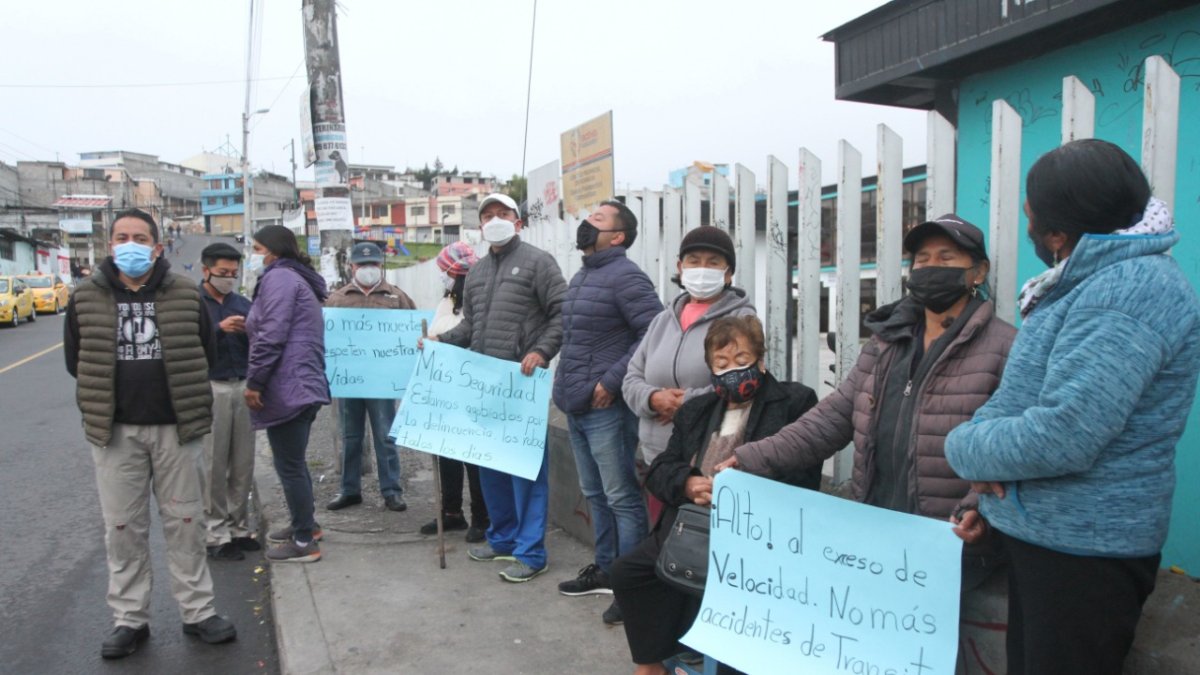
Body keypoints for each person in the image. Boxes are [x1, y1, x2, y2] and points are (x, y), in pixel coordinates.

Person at [944, 139, 1200, 674]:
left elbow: (1066, 433)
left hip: (1085, 557)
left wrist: (965, 447)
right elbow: (1017, 402)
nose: (1029, 227)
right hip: (1054, 542)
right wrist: (987, 482)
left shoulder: (1127, 289)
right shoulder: (1085, 284)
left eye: (1032, 218)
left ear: (1059, 234)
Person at [716, 215, 1015, 591]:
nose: (931, 268)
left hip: (951, 542)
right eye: (922, 259)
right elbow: (832, 418)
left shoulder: (1006, 348)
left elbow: (1009, 449)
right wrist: (751, 458)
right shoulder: (886, 342)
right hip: (875, 536)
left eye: (947, 258)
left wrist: (976, 507)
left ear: (978, 272)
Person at [63, 208, 236, 659]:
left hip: (177, 430)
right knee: (122, 529)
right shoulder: (85, 297)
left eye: (140, 237)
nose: (131, 244)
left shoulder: (184, 293)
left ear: (158, 247)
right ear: (110, 244)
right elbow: (75, 360)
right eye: (122, 236)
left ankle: (198, 612)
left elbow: (206, 347)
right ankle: (129, 619)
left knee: (185, 524)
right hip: (116, 432)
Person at [611, 315, 818, 675]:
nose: (732, 370)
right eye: (721, 364)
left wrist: (742, 486)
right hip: (693, 525)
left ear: (761, 360)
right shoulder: (696, 409)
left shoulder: (794, 402)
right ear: (710, 369)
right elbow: (660, 469)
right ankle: (652, 661)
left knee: (733, 606)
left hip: (755, 535)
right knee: (628, 573)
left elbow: (804, 475)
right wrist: (688, 482)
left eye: (742, 360)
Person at [430, 193, 567, 583]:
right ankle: (503, 538)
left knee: (525, 471)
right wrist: (441, 342)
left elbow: (563, 312)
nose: (494, 220)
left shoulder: (539, 262)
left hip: (521, 384)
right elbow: (470, 327)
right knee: (490, 464)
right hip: (484, 384)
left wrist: (542, 351)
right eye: (487, 215)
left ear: (518, 221)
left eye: (502, 213)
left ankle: (531, 552)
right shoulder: (476, 273)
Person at [554, 200, 662, 625]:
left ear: (617, 236)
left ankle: (631, 586)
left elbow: (652, 333)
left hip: (607, 408)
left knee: (622, 499)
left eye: (597, 219)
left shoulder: (627, 276)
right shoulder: (585, 274)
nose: (586, 223)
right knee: (596, 494)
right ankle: (605, 569)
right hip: (576, 404)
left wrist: (610, 382)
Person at [622, 226, 755, 524]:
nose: (702, 269)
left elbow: (744, 383)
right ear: (680, 268)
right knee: (659, 541)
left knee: (693, 548)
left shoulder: (741, 321)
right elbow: (631, 377)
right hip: (657, 457)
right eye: (694, 260)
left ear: (728, 273)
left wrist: (685, 404)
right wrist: (654, 398)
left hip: (707, 459)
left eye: (713, 262)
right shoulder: (662, 320)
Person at [244, 225, 331, 564]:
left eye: (256, 248)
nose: (253, 255)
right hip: (302, 382)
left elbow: (272, 335)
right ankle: (306, 524)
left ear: (273, 251)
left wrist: (254, 382)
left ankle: (304, 541)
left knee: (290, 464)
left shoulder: (279, 279)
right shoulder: (296, 278)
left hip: (287, 384)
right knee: (294, 461)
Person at [324, 242, 415, 513]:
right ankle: (349, 490)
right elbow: (327, 338)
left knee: (386, 435)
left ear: (381, 266)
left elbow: (412, 334)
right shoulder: (337, 299)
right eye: (362, 265)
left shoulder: (397, 298)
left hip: (382, 382)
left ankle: (392, 490)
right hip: (349, 381)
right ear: (351, 267)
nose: (367, 269)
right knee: (350, 436)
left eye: (373, 264)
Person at [419, 240, 490, 542]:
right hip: (444, 390)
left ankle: (481, 518)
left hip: (471, 389)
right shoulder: (446, 301)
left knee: (473, 457)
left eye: (443, 271)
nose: (441, 277)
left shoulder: (479, 299)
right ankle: (451, 513)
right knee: (446, 451)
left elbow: (470, 337)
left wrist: (443, 340)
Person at [198, 242, 259, 561]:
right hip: (212, 385)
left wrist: (250, 330)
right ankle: (215, 531)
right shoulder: (193, 304)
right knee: (213, 463)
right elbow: (186, 344)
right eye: (223, 273)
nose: (228, 279)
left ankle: (239, 527)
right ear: (206, 270)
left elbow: (261, 340)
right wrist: (218, 330)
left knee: (243, 461)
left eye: (233, 274)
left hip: (244, 384)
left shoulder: (242, 303)